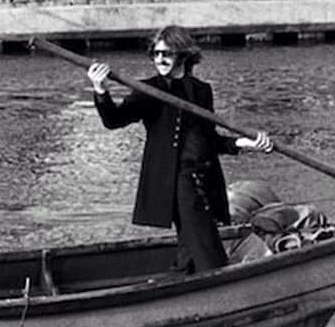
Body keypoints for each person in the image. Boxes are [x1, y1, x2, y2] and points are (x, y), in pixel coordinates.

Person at [86, 25, 273, 274]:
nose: (160, 59)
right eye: (156, 54)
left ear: (184, 56)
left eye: (167, 54)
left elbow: (210, 140)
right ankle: (221, 290)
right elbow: (114, 120)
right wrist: (101, 90)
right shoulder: (147, 90)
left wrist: (244, 143)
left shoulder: (201, 90)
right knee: (208, 249)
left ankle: (178, 285)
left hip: (206, 179)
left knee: (190, 248)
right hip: (175, 182)